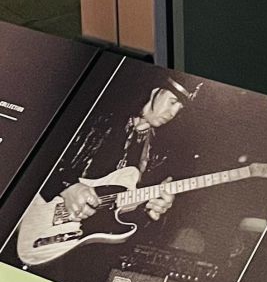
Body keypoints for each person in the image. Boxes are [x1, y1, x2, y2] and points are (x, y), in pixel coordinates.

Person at [51, 74, 200, 229]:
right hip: (42, 211)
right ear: (155, 91)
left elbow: (128, 217)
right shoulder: (99, 116)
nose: (172, 113)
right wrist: (66, 186)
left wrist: (150, 210)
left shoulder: (157, 152)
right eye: (173, 102)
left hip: (88, 236)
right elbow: (42, 148)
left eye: (179, 109)